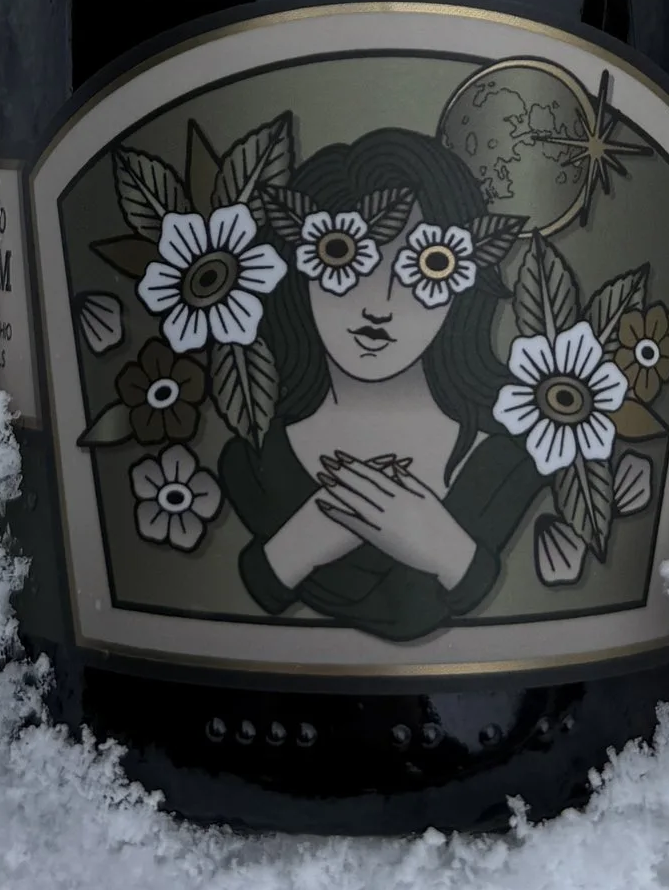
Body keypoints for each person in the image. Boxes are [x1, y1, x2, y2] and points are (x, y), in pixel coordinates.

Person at [220, 126, 538, 641]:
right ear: (298, 270)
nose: (379, 304)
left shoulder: (509, 458)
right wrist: (298, 546)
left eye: (423, 268)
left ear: (462, 287)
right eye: (345, 258)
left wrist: (448, 551)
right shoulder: (251, 460)